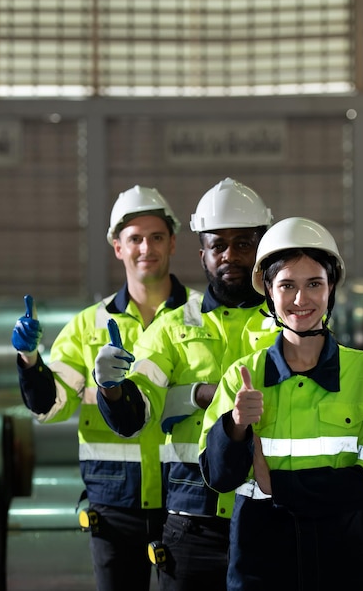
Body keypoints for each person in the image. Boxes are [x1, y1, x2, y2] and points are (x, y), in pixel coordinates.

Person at [11, 185, 202, 591]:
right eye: (134, 238)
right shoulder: (87, 326)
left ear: (173, 243)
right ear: (118, 247)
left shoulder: (204, 318)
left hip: (188, 499)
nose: (145, 247)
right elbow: (53, 405)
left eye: (156, 237)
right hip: (115, 503)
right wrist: (30, 361)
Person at [95, 177, 279, 591]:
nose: (230, 255)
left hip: (272, 514)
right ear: (202, 254)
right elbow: (135, 413)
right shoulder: (170, 330)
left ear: (261, 248)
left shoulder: (287, 324)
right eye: (219, 245)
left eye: (243, 244)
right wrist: (110, 386)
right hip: (193, 523)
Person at [198, 217, 363, 591]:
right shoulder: (244, 375)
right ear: (269, 293)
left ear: (331, 288)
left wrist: (278, 487)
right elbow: (219, 477)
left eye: (314, 284)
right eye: (287, 285)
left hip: (348, 564)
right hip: (264, 563)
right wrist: (236, 425)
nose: (301, 299)